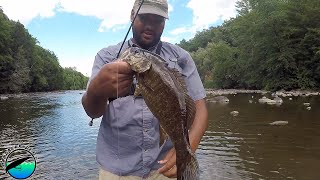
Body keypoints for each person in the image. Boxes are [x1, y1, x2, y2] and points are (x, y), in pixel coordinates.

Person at [82, 0, 208, 179]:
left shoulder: (181, 58)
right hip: (116, 169)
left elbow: (200, 109)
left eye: (157, 20)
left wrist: (185, 150)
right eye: (143, 17)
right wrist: (97, 88)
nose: (150, 25)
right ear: (132, 15)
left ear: (165, 23)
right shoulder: (107, 57)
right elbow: (92, 112)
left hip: (164, 166)